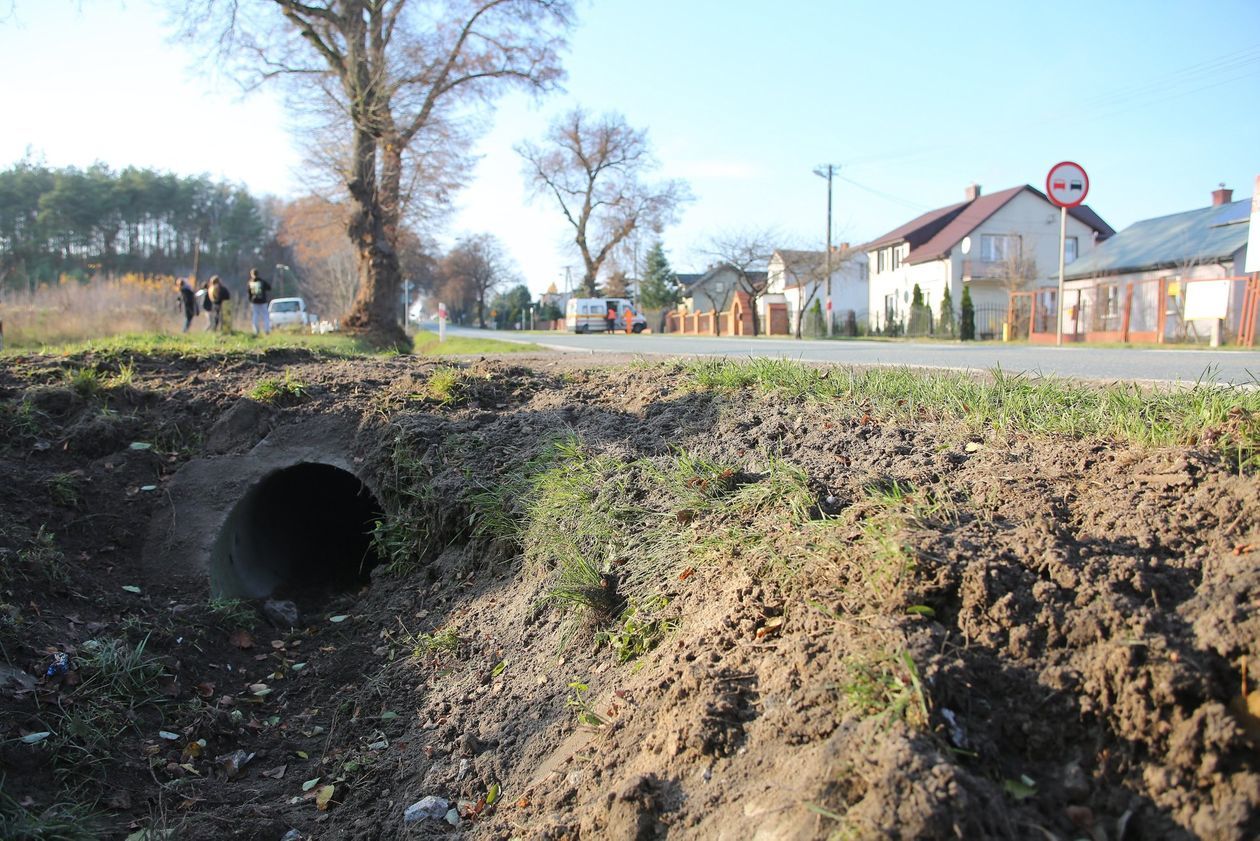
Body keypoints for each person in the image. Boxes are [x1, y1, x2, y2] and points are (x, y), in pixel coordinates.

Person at [246, 268, 272, 335]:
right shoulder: (262, 281)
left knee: (255, 316)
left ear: (251, 274)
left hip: (254, 302)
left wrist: (250, 300)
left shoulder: (250, 282)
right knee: (265, 315)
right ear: (258, 274)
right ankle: (267, 330)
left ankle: (256, 331)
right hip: (263, 301)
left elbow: (249, 293)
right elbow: (269, 287)